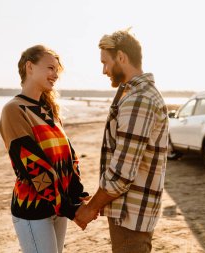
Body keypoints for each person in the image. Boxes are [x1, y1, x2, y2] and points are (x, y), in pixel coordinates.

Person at [75, 30, 169, 253]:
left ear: (121, 57)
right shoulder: (134, 94)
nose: (104, 70)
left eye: (105, 62)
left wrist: (90, 209)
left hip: (131, 217)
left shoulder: (139, 100)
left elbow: (122, 173)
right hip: (131, 213)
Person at [0, 45, 89, 253]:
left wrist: (77, 195)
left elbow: (69, 156)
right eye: (50, 68)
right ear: (30, 67)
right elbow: (34, 166)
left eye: (57, 70)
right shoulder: (14, 110)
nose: (55, 75)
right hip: (34, 210)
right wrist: (71, 209)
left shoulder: (48, 110)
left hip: (58, 207)